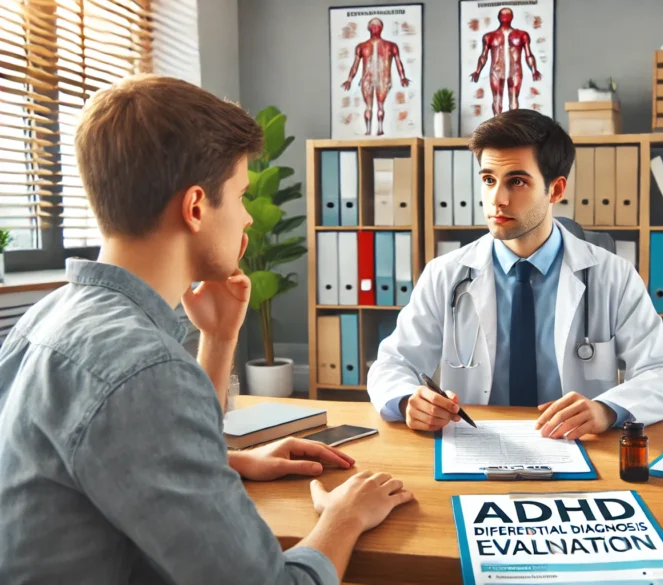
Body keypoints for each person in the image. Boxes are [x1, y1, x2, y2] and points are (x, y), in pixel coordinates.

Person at [0, 74, 413, 585]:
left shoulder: (46, 316)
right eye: (241, 196)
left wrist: (219, 355)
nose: (248, 220)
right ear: (196, 207)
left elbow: (105, 465)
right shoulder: (142, 371)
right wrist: (344, 517)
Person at [368, 109, 663, 437]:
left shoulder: (613, 277)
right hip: (473, 443)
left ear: (555, 190)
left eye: (517, 182)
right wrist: (409, 400)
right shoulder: (445, 275)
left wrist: (606, 409)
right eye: (488, 180)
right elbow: (392, 364)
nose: (497, 199)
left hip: (579, 448)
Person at [341, 17, 411, 136]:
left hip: (383, 78)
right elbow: (355, 65)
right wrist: (349, 80)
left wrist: (402, 77)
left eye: (377, 26)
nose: (375, 28)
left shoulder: (391, 45)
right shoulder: (362, 46)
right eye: (373, 26)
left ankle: (380, 129)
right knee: (368, 106)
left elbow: (398, 62)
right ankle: (368, 130)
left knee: (380, 105)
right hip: (367, 78)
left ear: (381, 28)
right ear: (369, 28)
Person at [468, 7, 541, 114]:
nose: (506, 17)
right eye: (504, 15)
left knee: (514, 100)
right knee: (497, 100)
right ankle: (498, 128)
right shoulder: (489, 36)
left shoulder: (522, 35)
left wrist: (534, 69)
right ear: (499, 17)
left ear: (512, 17)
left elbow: (528, 54)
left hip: (515, 70)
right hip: (496, 71)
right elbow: (484, 56)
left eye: (508, 14)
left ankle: (512, 128)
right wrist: (477, 71)